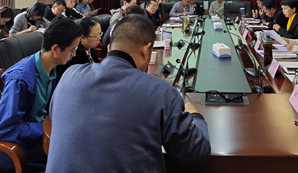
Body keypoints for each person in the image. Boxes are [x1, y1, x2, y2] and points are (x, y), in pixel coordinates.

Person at [46, 15, 211, 173]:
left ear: (109, 48)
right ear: (145, 51)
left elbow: (56, 117)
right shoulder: (161, 92)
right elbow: (196, 155)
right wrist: (196, 117)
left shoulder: (70, 74)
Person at [0, 17, 83, 171]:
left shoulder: (51, 68)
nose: (73, 55)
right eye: (72, 50)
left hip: (40, 139)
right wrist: (47, 129)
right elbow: (3, 129)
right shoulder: (20, 79)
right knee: (78, 159)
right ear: (55, 49)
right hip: (19, 151)